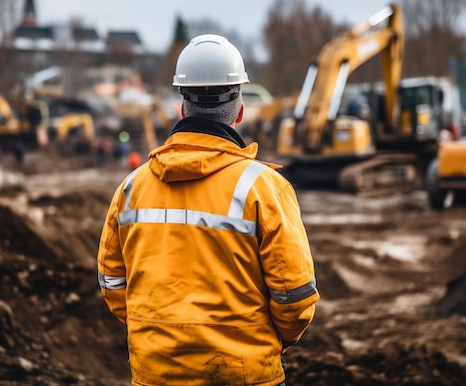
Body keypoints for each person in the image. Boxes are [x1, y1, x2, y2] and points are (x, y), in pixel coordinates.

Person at [97, 34, 319, 386]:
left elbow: (112, 283)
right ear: (241, 110)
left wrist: (161, 335)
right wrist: (270, 342)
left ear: (182, 108)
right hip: (244, 374)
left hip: (156, 373)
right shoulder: (264, 188)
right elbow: (295, 300)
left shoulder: (131, 189)